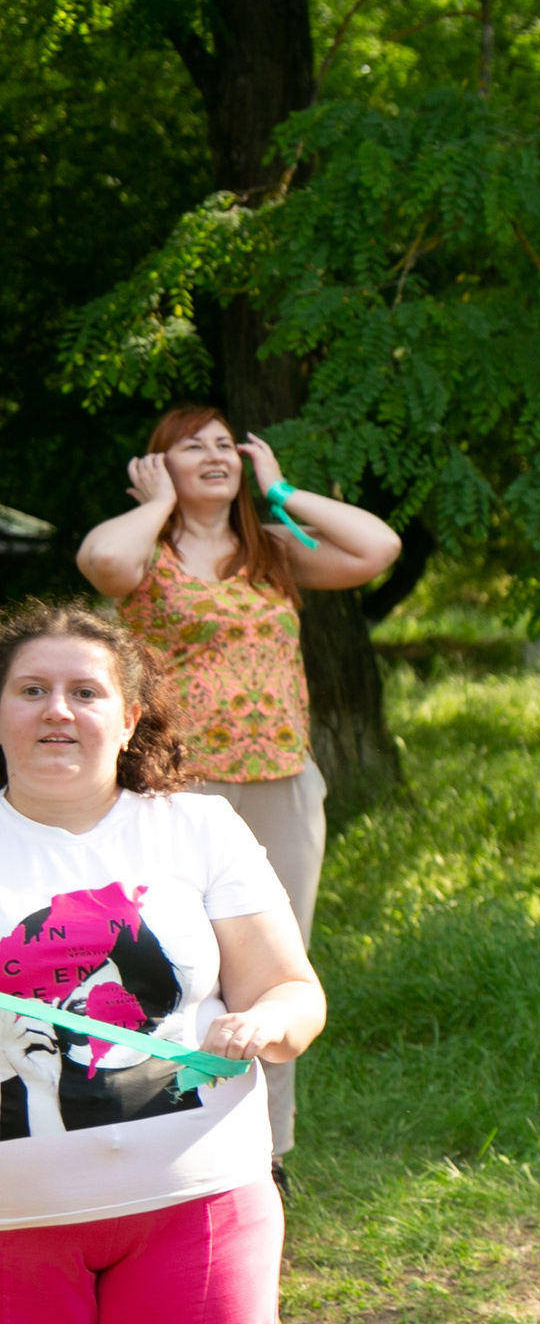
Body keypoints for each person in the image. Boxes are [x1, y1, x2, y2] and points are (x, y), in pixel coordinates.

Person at [0, 604, 326, 1324]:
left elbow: (294, 991)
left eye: (84, 691)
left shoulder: (198, 828)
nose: (57, 710)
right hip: (9, 1239)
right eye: (31, 690)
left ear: (131, 716)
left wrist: (264, 1023)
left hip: (197, 1214)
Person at [75, 406, 398, 1170]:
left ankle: (268, 1153)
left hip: (283, 784)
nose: (216, 455)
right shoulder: (147, 553)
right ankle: (165, 1135)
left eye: (228, 445)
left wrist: (282, 492)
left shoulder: (274, 554)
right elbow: (99, 560)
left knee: (278, 971)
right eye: (193, 447)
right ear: (159, 466)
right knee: (180, 965)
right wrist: (155, 504)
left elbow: (376, 547)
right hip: (180, 788)